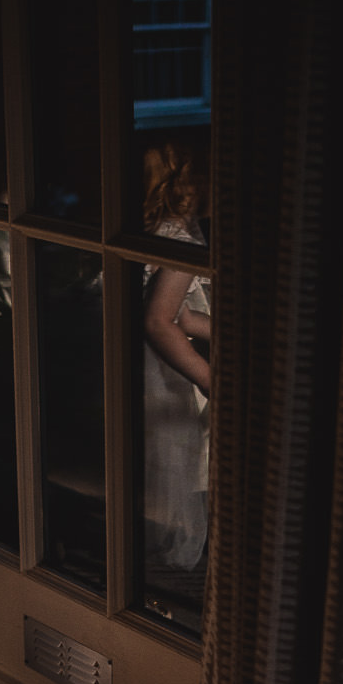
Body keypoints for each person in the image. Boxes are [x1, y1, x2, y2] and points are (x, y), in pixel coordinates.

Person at [141, 139, 213, 574]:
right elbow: (159, 322)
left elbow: (184, 315)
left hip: (150, 366)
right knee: (184, 461)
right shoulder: (181, 242)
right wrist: (208, 376)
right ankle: (179, 559)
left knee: (168, 464)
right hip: (169, 370)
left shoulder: (153, 230)